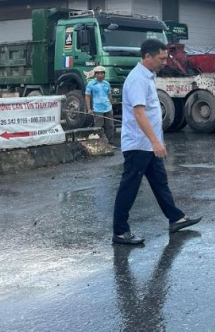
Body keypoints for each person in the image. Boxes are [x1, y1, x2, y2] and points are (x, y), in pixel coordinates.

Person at [112, 39, 201, 245]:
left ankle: (176, 219)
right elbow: (139, 112)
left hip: (149, 145)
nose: (165, 62)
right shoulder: (137, 80)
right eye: (161, 58)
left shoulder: (149, 76)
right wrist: (155, 141)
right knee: (129, 187)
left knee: (160, 183)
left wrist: (156, 142)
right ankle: (120, 232)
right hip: (138, 145)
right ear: (147, 57)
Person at [86, 65, 115, 145]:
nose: (100, 75)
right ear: (95, 74)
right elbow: (87, 96)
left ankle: (110, 143)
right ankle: (101, 143)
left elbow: (109, 94)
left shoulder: (106, 83)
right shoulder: (91, 84)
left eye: (102, 73)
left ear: (104, 74)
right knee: (99, 127)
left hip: (108, 107)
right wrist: (89, 109)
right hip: (97, 108)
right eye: (98, 73)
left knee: (110, 126)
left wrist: (111, 103)